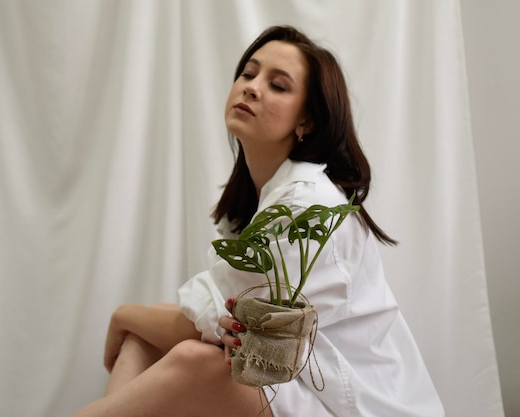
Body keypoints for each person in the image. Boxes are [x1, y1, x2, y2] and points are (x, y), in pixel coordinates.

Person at [73, 25, 444, 417]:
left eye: (278, 85)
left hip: (357, 408)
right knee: (146, 339)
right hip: (308, 392)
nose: (252, 87)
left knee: (194, 358)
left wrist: (122, 314)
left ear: (307, 122)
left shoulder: (305, 202)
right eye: (248, 73)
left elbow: (198, 325)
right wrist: (132, 321)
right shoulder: (267, 197)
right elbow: (217, 322)